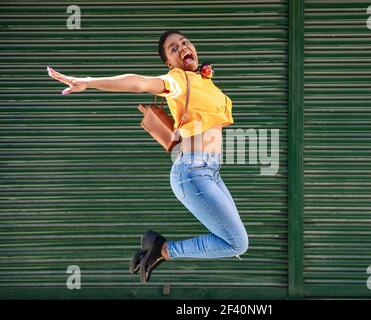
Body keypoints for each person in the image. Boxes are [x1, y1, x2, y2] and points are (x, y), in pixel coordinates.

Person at [47, 30, 248, 283]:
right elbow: (139, 82)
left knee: (235, 239)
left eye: (184, 42)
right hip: (193, 173)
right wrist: (89, 81)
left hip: (212, 171)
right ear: (169, 63)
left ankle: (158, 248)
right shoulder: (176, 80)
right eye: (173, 49)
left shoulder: (204, 82)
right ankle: (163, 250)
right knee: (237, 242)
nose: (182, 47)